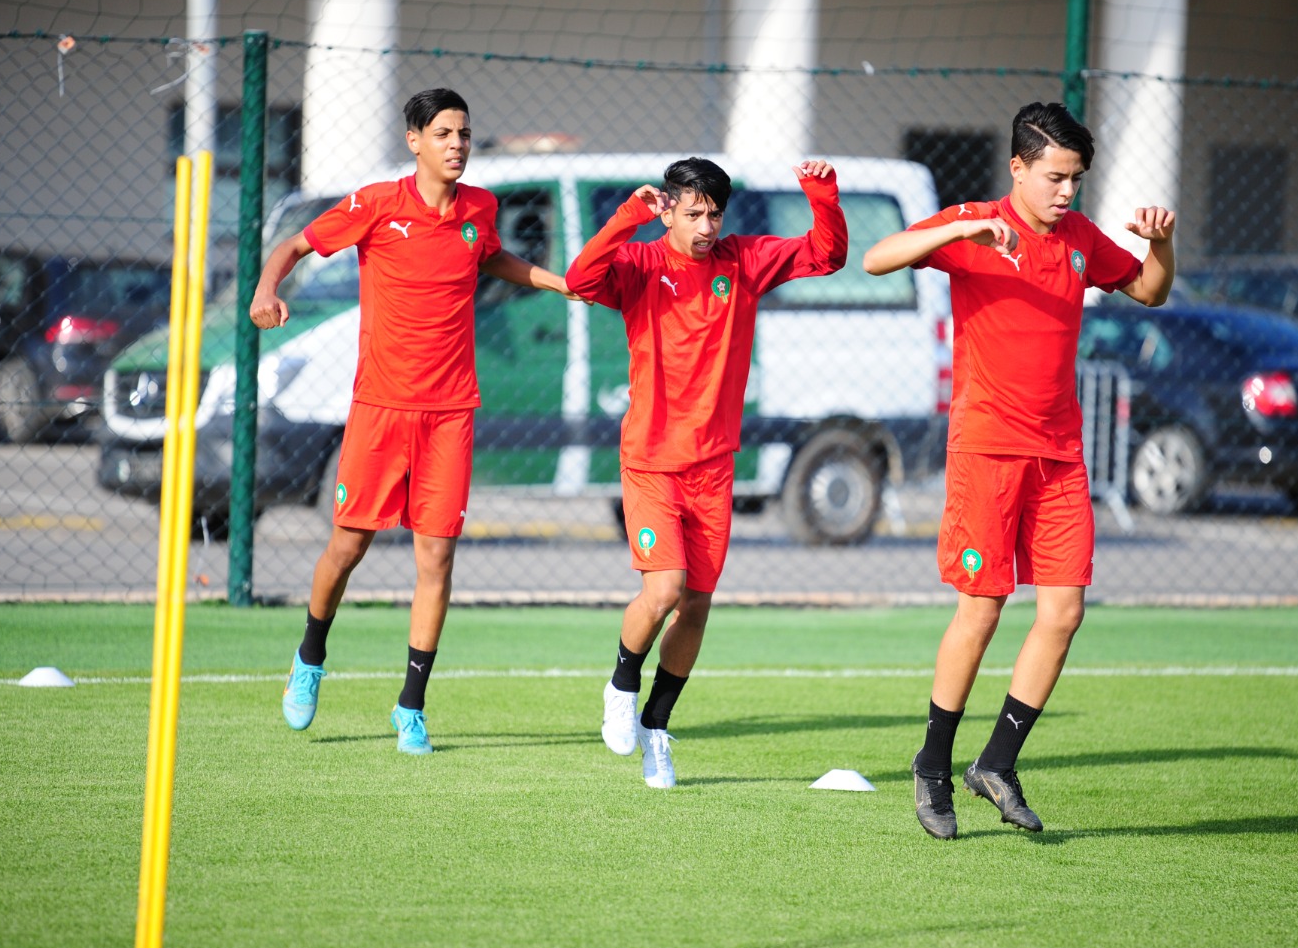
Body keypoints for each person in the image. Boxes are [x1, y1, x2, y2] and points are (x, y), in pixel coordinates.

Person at [862, 102, 1176, 838]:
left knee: (1064, 612)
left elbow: (1149, 290)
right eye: (1054, 177)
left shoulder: (1080, 238)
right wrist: (956, 232)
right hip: (987, 451)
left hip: (1060, 455)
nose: (1066, 192)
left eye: (1076, 179)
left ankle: (996, 764)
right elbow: (876, 258)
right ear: (1018, 168)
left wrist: (1162, 244)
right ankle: (932, 766)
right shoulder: (974, 225)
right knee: (982, 608)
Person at [250, 87, 571, 754]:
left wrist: (556, 282)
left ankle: (411, 706)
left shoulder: (480, 209)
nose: (457, 145)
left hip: (451, 413)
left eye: (465, 134)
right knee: (348, 548)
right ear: (415, 141)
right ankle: (310, 657)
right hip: (380, 410)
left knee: (437, 557)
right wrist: (265, 290)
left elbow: (492, 257)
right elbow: (294, 246)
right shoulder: (376, 204)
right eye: (444, 133)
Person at [566, 157, 848, 788]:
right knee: (663, 589)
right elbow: (581, 278)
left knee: (696, 603)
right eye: (693, 213)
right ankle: (621, 685)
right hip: (651, 461)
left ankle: (656, 729)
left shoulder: (743, 261)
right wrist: (628, 216)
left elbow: (827, 255)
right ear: (668, 211)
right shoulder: (641, 264)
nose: (705, 226)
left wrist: (821, 195)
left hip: (714, 468)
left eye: (714, 214)